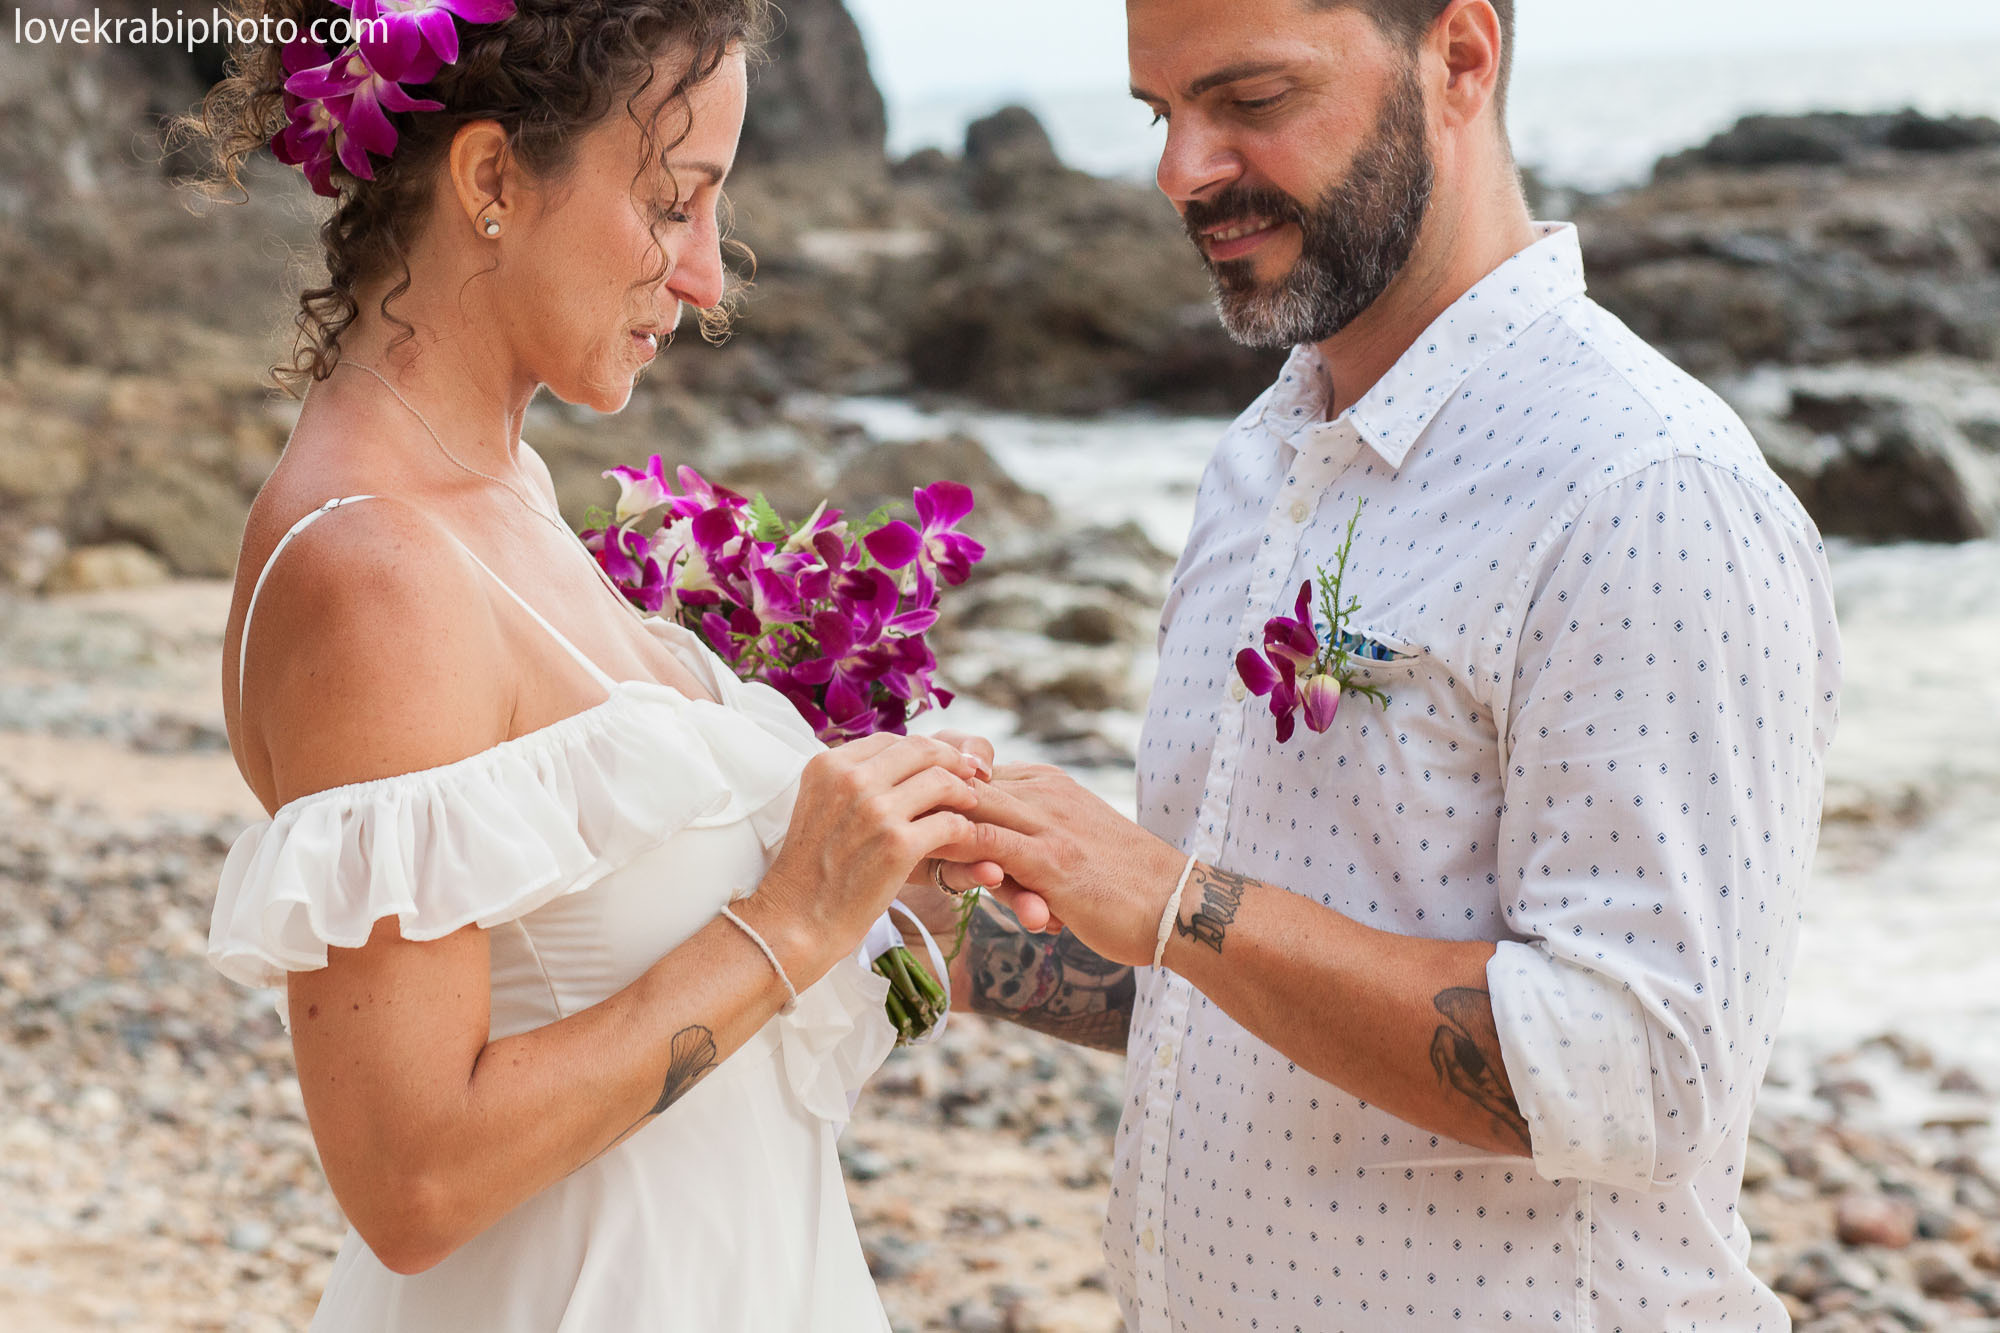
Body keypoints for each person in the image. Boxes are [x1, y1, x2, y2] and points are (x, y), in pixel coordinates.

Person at [924, 0, 1843, 1327]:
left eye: (1249, 102)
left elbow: (1638, 1076)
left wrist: (1179, 898)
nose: (1182, 172)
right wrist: (940, 938)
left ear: (1459, 58)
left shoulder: (1646, 490)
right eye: (1159, 113)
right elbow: (1233, 993)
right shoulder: (1259, 461)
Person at [196, 0, 1030, 1326]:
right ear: (489, 180)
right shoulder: (378, 575)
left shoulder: (505, 488)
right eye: (672, 202)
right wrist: (790, 917)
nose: (707, 275)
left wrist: (891, 871)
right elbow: (412, 1178)